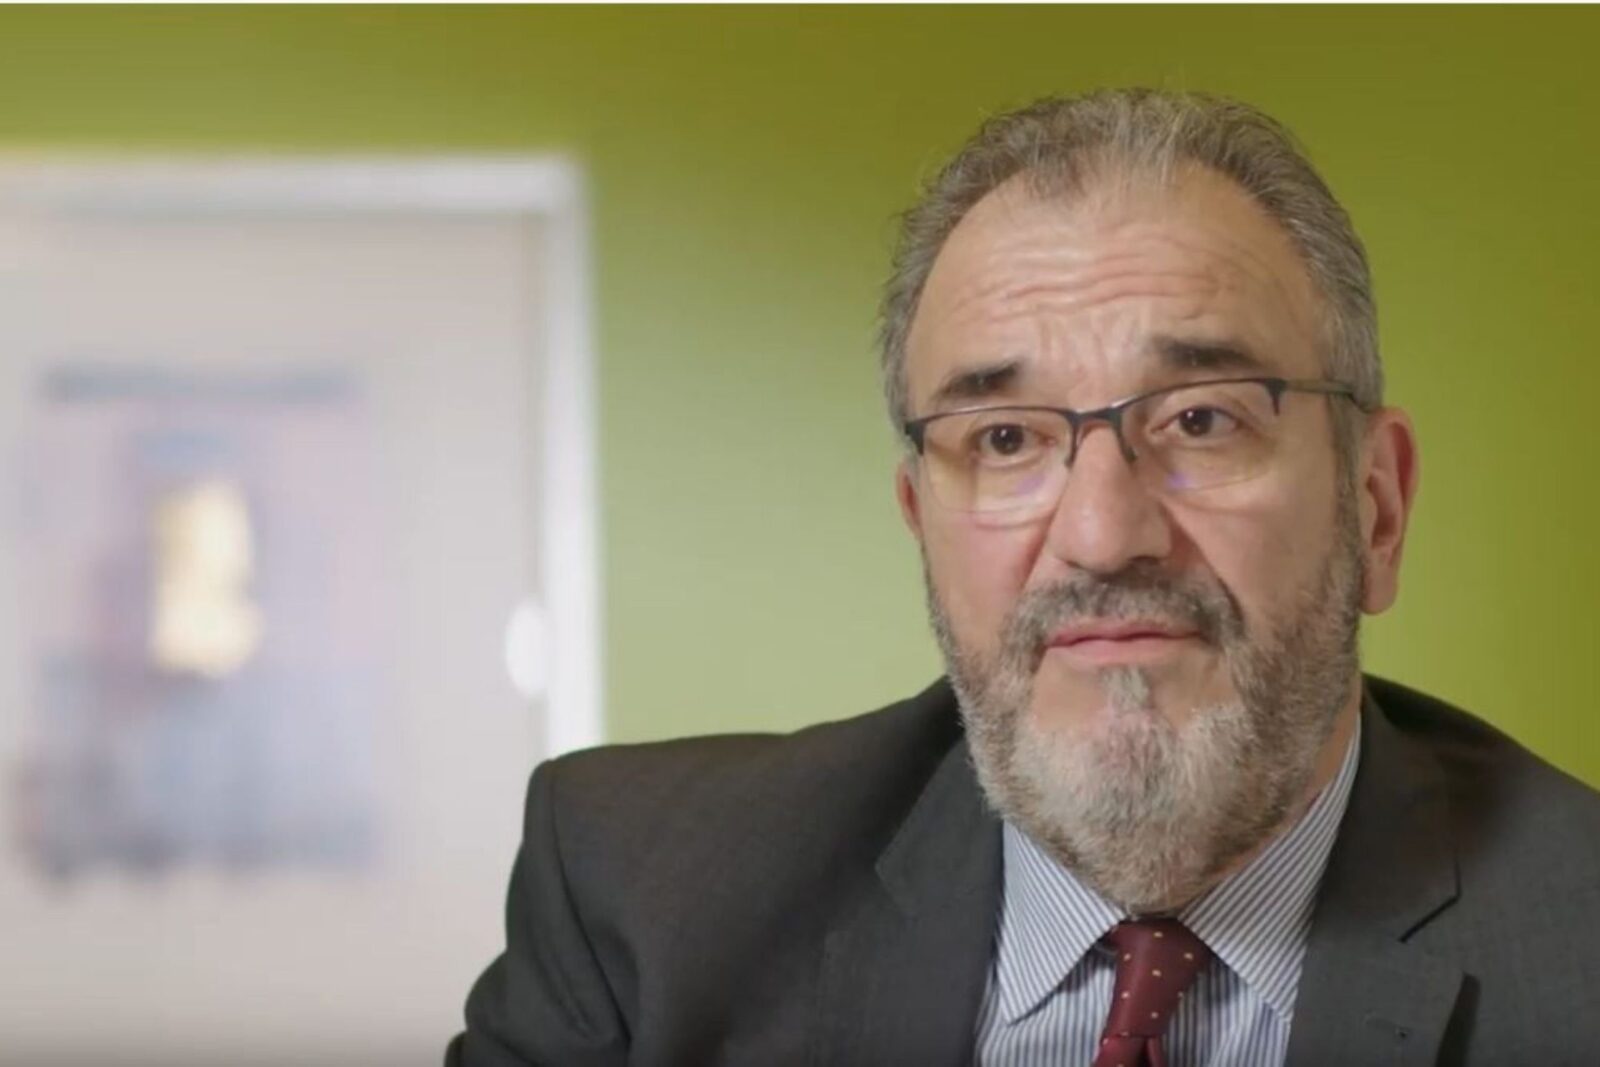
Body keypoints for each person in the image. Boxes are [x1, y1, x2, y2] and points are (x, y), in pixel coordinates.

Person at [447, 89, 1600, 1066]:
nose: (1101, 534)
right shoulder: (639, 906)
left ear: (1376, 506)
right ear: (921, 526)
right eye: (1003, 438)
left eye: (1200, 418)